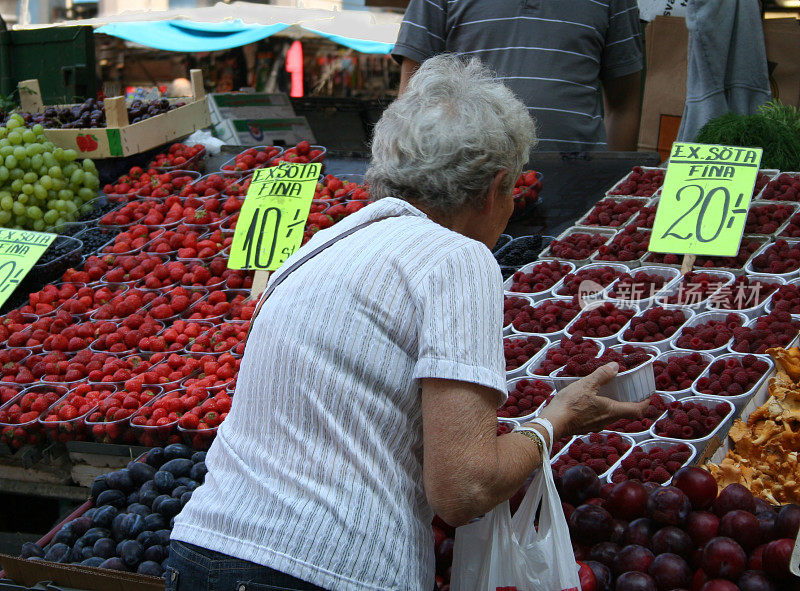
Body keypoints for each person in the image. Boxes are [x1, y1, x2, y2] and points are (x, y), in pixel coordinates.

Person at [167, 54, 647, 591]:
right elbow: (463, 489)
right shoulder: (457, 259)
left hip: (200, 552)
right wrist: (555, 421)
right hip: (325, 573)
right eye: (511, 191)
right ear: (494, 188)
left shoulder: (320, 248)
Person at [392, 1, 644, 152]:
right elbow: (411, 99)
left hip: (578, 183)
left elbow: (624, 107)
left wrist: (614, 186)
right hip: (465, 184)